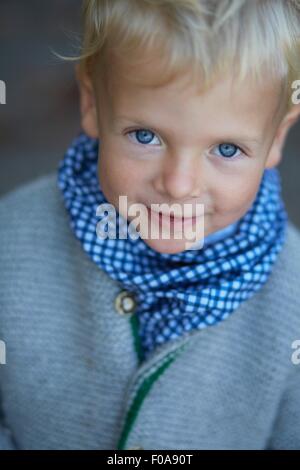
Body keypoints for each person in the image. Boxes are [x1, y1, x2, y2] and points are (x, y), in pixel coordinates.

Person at [1, 0, 300, 450]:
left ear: (276, 137)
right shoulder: (12, 240)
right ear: (92, 104)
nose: (179, 185)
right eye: (146, 136)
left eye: (226, 149)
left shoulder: (292, 298)